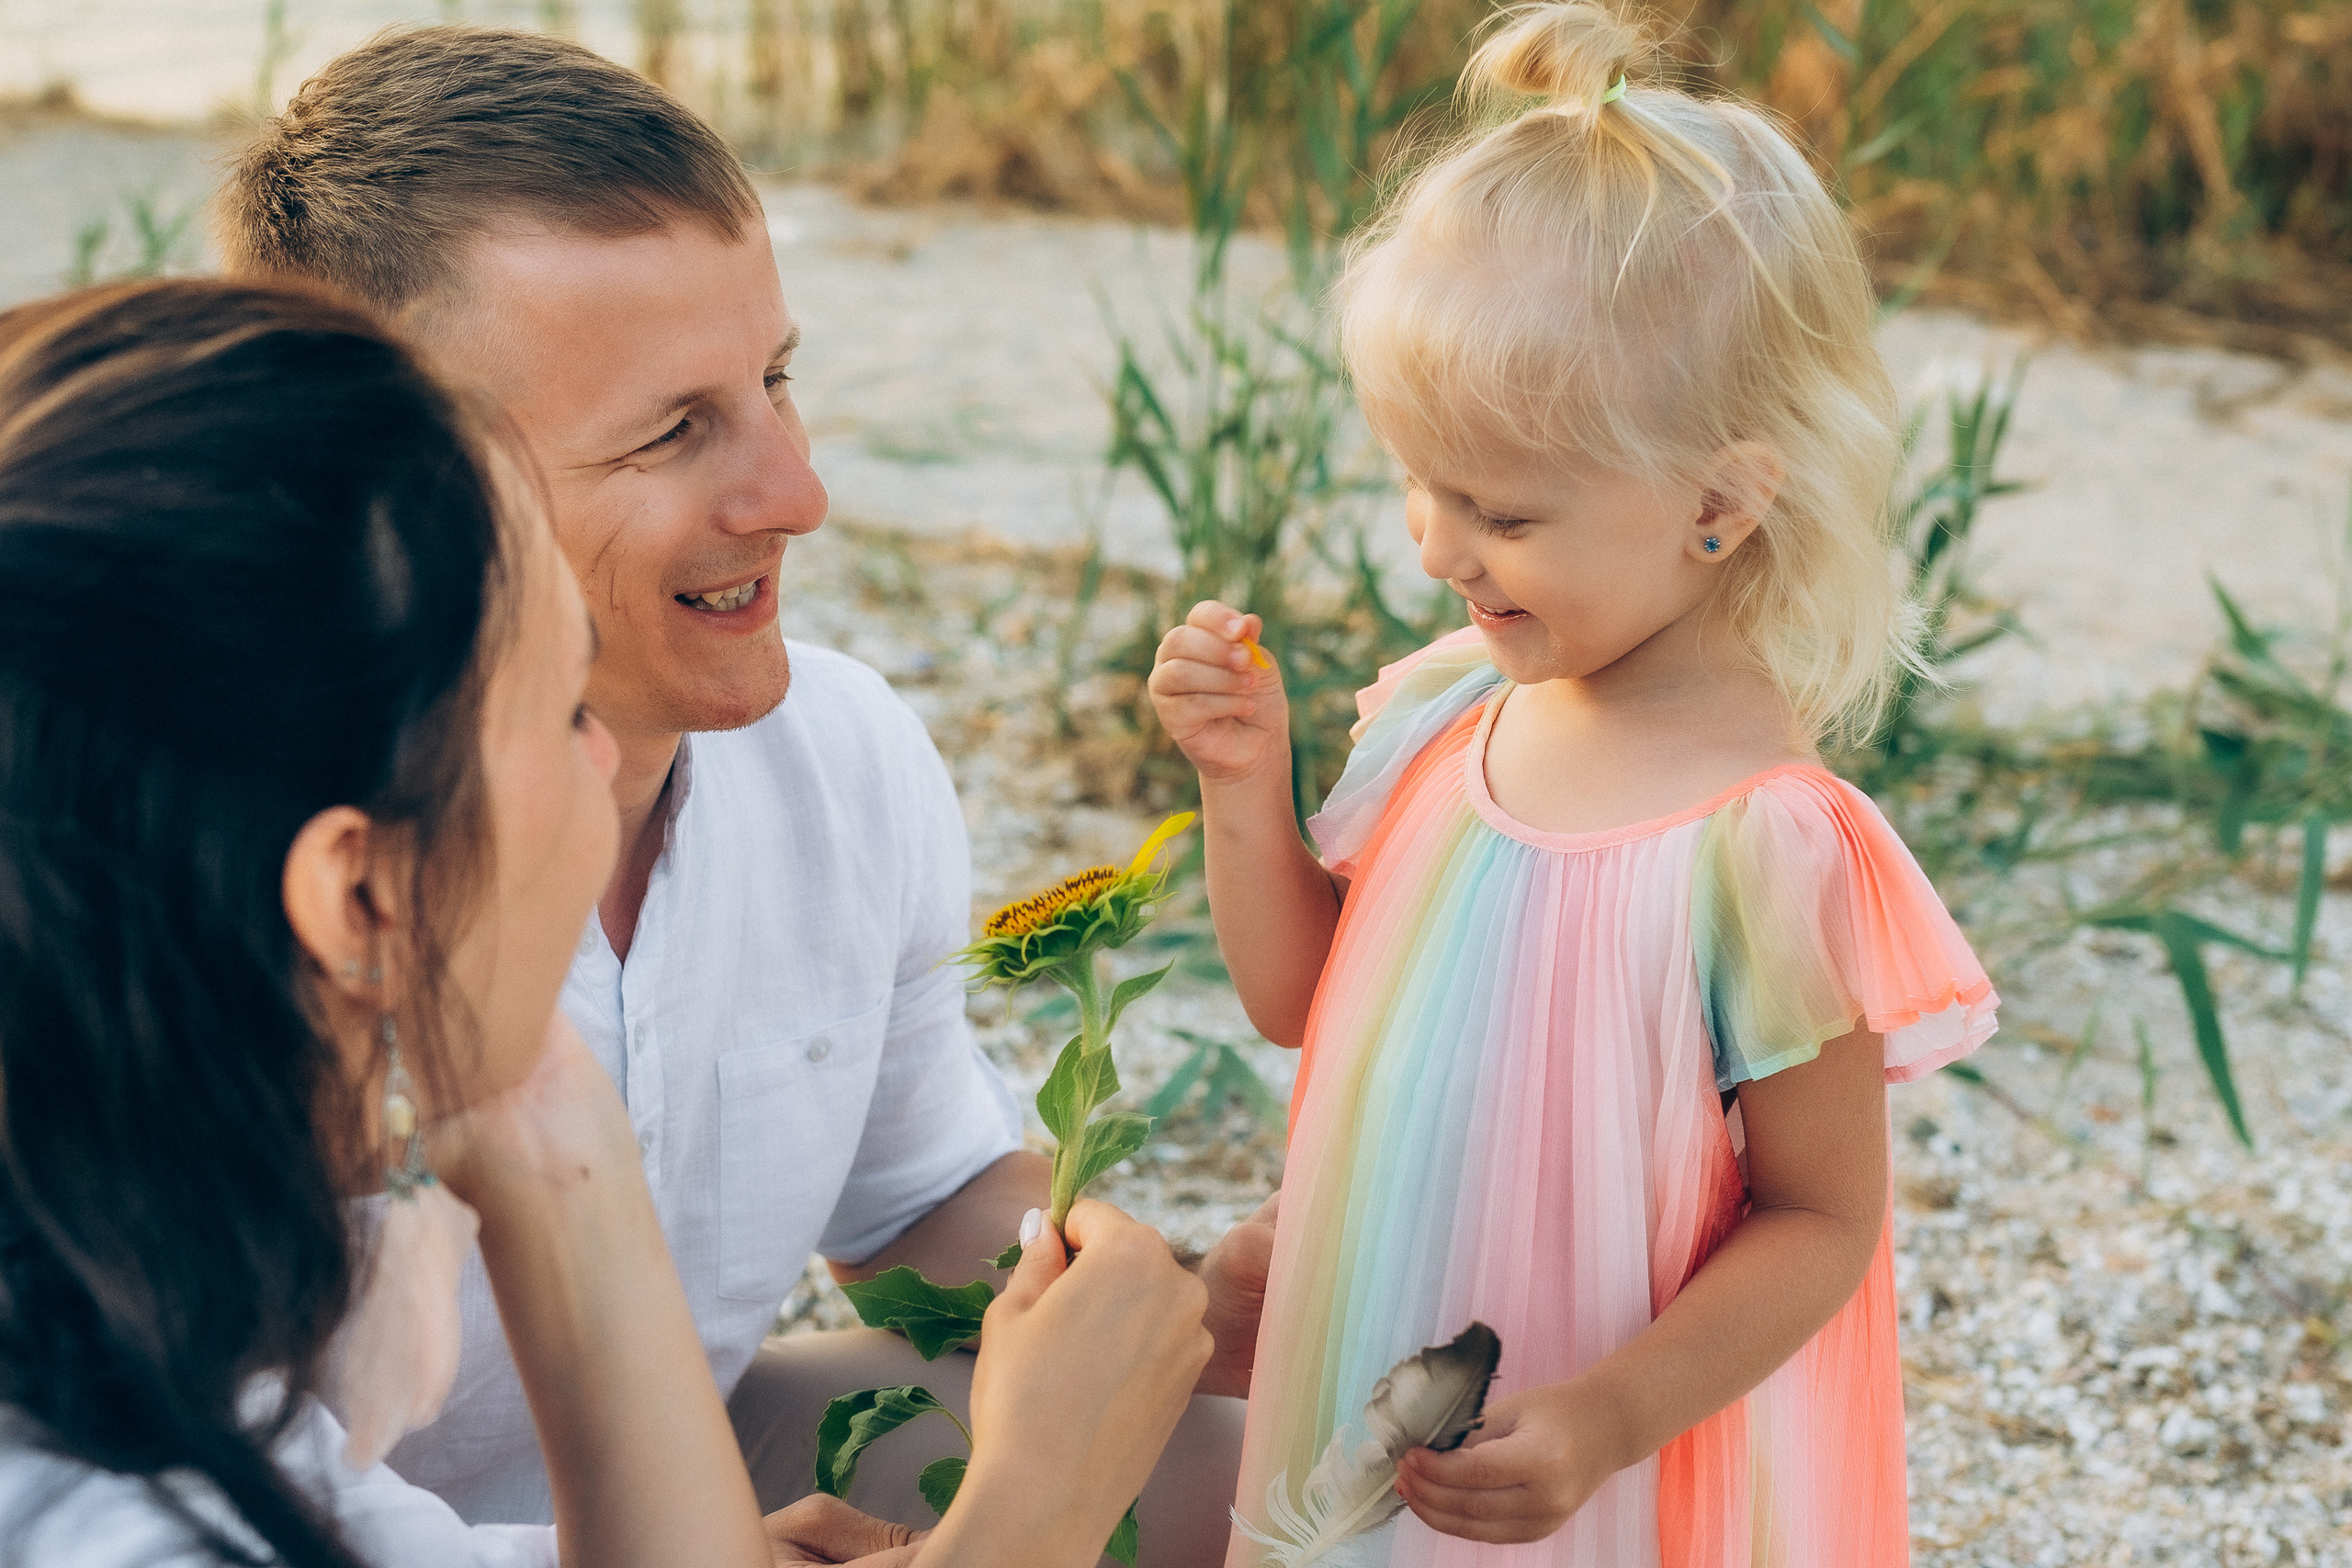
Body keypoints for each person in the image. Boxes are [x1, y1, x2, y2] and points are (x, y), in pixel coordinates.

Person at [213, 28, 1265, 1564]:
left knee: (1256, 1483)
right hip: (321, 1532)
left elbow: (915, 1197)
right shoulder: (219, 889)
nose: (798, 495)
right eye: (672, 431)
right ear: (399, 490)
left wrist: (1139, 1304)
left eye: (775, 379)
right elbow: (193, 1513)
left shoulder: (841, 754)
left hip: (698, 1468)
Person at [0, 277, 1211, 1568]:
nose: (611, 767)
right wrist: (1030, 1514)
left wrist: (551, 1138)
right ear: (359, 901)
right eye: (561, 710)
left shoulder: (118, 1306)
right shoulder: (109, 1511)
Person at [1148, 6, 2002, 1564]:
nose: (1435, 547)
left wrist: (1609, 1417)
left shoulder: (1766, 847)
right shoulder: (1444, 715)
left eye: (1502, 514)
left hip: (1609, 1464)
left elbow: (1821, 1220)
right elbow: (1300, 1001)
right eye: (1416, 482)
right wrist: (1243, 782)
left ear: (1719, 504)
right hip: (1390, 1379)